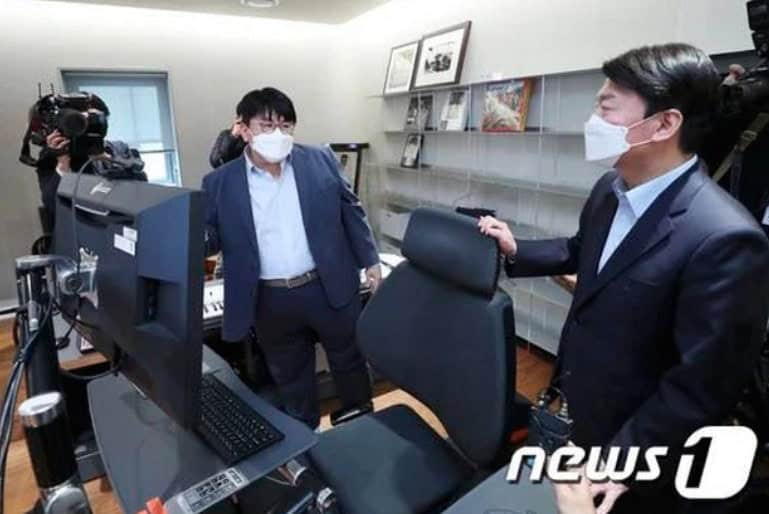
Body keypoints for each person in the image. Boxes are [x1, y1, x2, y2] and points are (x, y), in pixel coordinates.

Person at [479, 43, 769, 513]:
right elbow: (582, 250)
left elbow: (700, 385)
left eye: (606, 107)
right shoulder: (611, 188)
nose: (593, 120)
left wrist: (620, 461)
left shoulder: (726, 238)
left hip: (636, 450)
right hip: (576, 409)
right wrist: (519, 249)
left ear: (664, 124)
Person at [202, 87, 381, 429]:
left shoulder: (320, 159)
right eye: (267, 125)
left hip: (328, 286)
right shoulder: (220, 183)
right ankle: (306, 437)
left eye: (286, 126)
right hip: (271, 299)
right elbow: (210, 236)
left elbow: (350, 207)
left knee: (350, 361)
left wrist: (369, 259)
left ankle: (362, 423)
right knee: (291, 377)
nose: (278, 134)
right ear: (244, 129)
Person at [38, 93, 146, 229]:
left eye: (94, 120)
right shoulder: (51, 157)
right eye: (82, 122)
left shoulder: (119, 149)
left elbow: (142, 191)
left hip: (121, 227)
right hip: (80, 230)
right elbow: (52, 205)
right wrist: (63, 163)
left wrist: (108, 159)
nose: (89, 127)